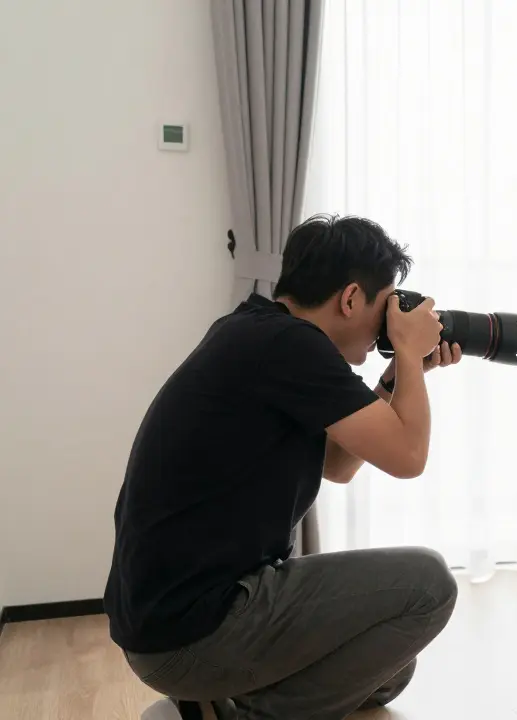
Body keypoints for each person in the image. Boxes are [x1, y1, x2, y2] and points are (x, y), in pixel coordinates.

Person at [104, 215, 463, 719]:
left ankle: (209, 701)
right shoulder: (290, 346)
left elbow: (337, 465)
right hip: (191, 630)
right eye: (386, 309)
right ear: (351, 298)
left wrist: (396, 377)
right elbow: (409, 458)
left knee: (391, 666)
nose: (386, 327)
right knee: (428, 587)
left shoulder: (260, 333)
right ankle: (242, 712)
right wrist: (408, 349)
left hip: (166, 622)